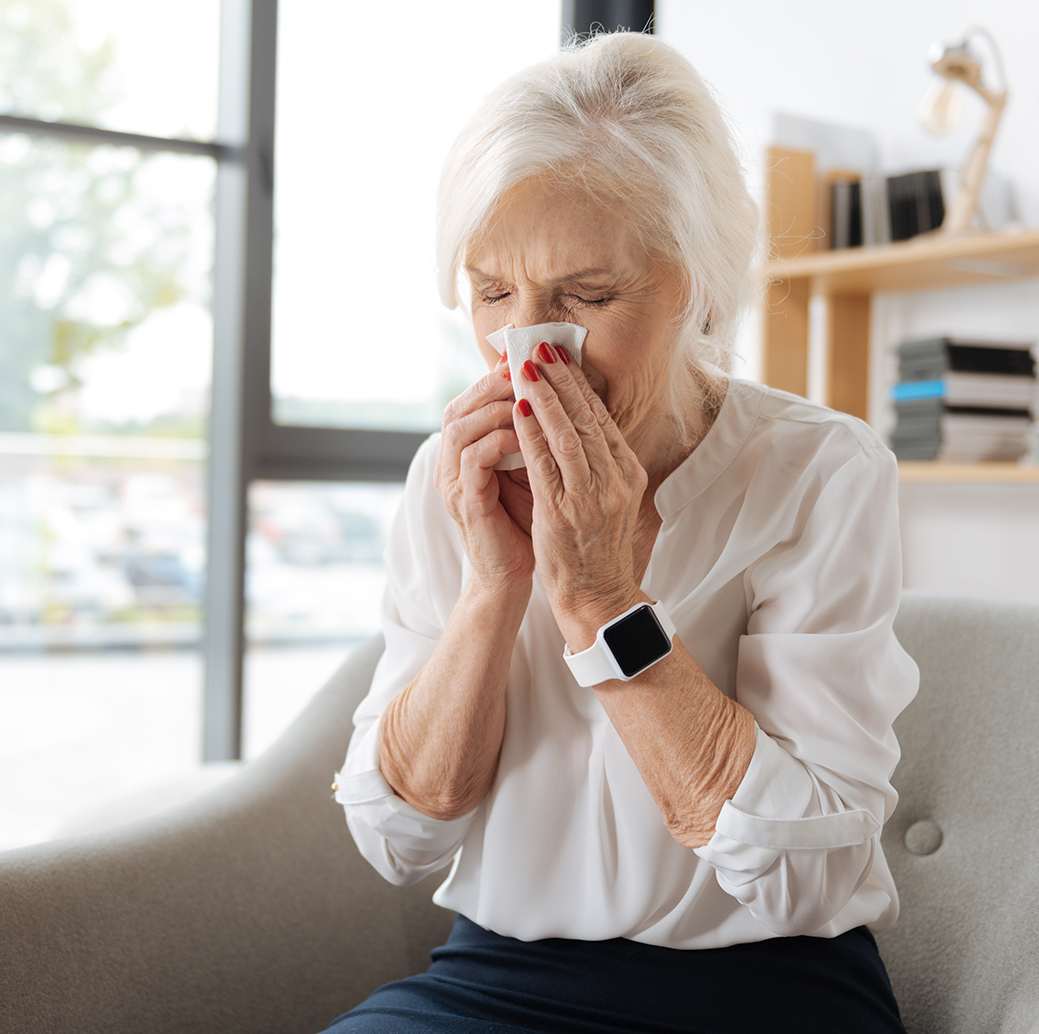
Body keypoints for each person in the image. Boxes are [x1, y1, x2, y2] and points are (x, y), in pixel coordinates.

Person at [330, 30, 918, 1034]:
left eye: (586, 296)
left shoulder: (822, 469)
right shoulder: (450, 475)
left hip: (769, 988)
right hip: (496, 977)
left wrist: (604, 601)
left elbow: (807, 875)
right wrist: (491, 591)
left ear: (694, 283)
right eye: (491, 292)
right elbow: (401, 838)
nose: (528, 344)